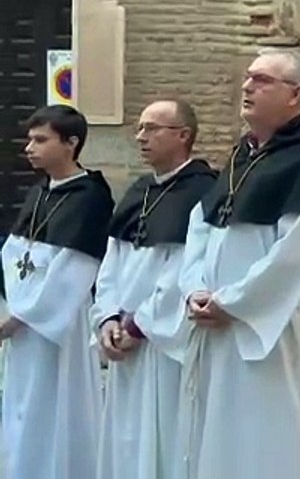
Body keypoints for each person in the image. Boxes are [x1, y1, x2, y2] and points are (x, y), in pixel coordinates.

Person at [178, 48, 300, 479]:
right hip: (219, 319)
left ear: (295, 95)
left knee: (269, 443)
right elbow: (203, 223)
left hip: (272, 326)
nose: (247, 86)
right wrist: (195, 288)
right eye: (248, 77)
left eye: (262, 80)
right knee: (221, 443)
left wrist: (233, 302)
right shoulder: (246, 152)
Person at [95, 100, 217, 479]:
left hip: (164, 341)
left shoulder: (204, 191)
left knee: (165, 438)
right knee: (126, 440)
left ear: (183, 135)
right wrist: (107, 318)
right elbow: (111, 261)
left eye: (152, 128)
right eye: (140, 128)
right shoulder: (140, 190)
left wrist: (138, 325)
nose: (141, 137)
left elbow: (185, 269)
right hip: (124, 335)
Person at [0, 105, 114, 479]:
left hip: (58, 321)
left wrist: (20, 316)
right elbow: (14, 252)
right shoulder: (40, 192)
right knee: (22, 406)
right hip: (23, 317)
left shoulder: (90, 197)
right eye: (30, 139)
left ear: (71, 143)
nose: (29, 148)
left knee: (56, 406)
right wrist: (11, 306)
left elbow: (75, 268)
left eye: (40, 140)